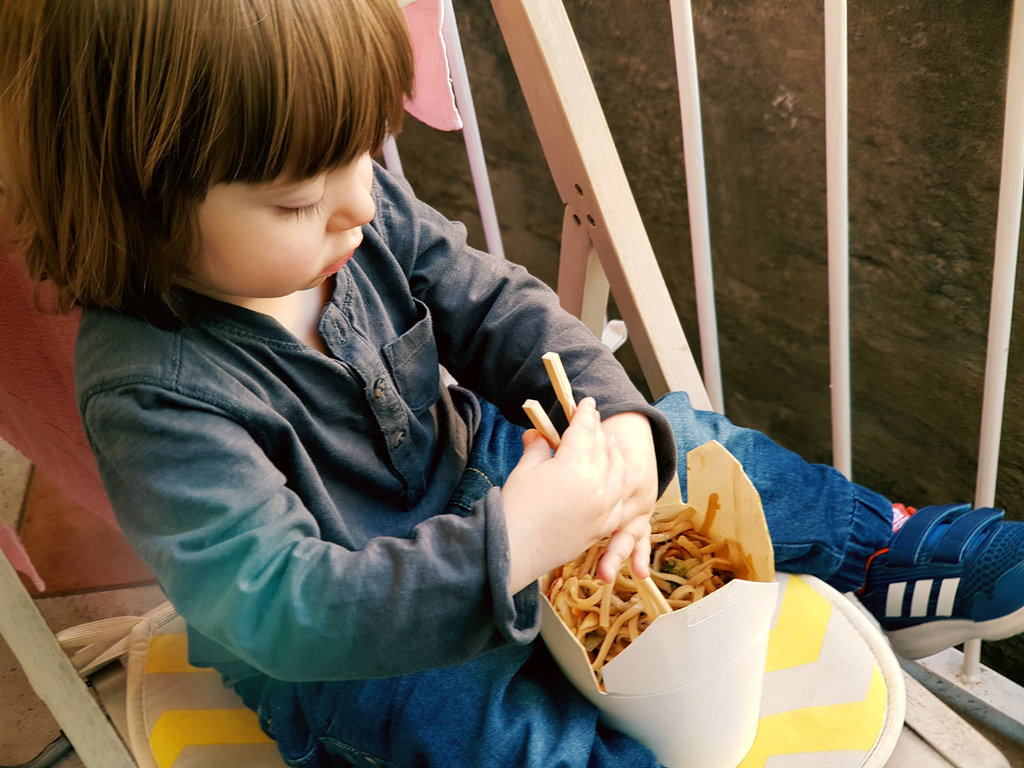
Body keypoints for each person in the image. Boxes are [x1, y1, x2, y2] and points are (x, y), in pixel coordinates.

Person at [2, 1, 1023, 765]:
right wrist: (520, 542)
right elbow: (285, 609)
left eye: (366, 153)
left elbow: (490, 303)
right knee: (474, 729)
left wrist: (613, 426)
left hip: (477, 474)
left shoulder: (354, 209)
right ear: (138, 199)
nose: (361, 202)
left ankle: (874, 548)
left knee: (696, 440)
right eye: (301, 197)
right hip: (350, 646)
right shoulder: (149, 392)